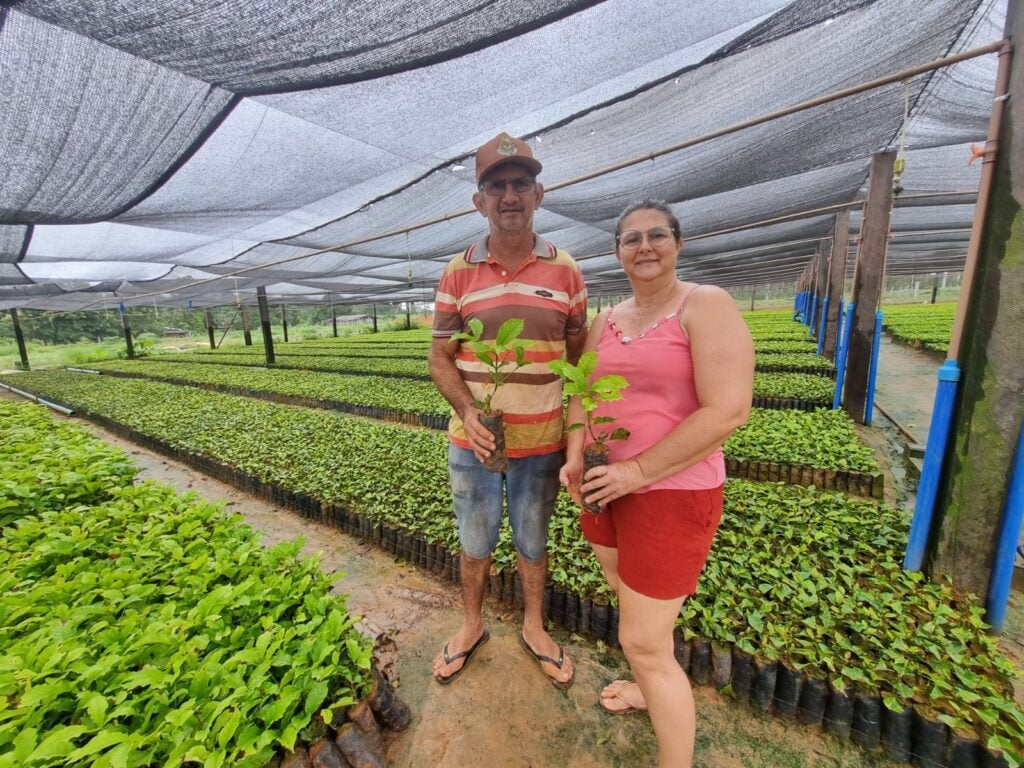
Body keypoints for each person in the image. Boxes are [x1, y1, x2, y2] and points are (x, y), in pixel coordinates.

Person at [559, 200, 754, 767]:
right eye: (631, 239)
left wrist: (637, 471)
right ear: (617, 252)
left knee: (641, 640)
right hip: (604, 487)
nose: (645, 246)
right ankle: (648, 687)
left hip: (670, 492)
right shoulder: (605, 320)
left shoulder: (705, 305)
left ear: (678, 243)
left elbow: (728, 410)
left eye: (657, 235)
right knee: (632, 602)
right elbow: (579, 392)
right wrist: (575, 454)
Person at [429, 132, 588, 688]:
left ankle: (534, 626)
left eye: (521, 183)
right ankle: (471, 624)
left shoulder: (566, 269)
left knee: (532, 537)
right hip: (474, 440)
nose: (510, 194)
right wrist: (470, 411)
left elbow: (578, 355)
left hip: (541, 440)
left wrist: (579, 427)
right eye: (496, 186)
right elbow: (440, 355)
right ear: (480, 201)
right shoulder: (457, 271)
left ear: (539, 194)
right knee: (475, 536)